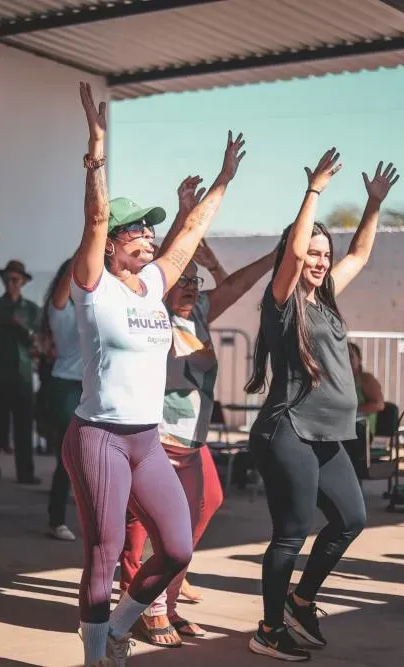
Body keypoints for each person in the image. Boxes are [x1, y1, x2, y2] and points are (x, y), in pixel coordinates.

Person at [65, 81, 244, 667]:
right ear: (112, 242)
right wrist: (97, 149)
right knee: (105, 548)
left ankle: (117, 627)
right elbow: (94, 214)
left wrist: (223, 180)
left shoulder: (156, 285)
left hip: (145, 439)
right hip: (98, 437)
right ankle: (96, 655)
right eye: (137, 229)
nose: (149, 235)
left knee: (178, 547)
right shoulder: (93, 286)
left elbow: (189, 234)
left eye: (149, 229)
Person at [245, 150, 398, 661]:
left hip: (329, 435)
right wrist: (314, 192)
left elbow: (358, 254)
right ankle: (268, 630)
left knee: (351, 519)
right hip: (288, 430)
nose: (319, 260)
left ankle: (301, 600)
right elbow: (293, 254)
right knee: (290, 535)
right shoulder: (282, 299)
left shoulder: (327, 296)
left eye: (323, 254)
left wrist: (373, 205)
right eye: (311, 252)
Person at [120, 188, 277, 646]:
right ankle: (148, 608)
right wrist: (186, 215)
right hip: (158, 437)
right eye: (181, 279)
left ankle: (162, 595)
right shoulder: (151, 315)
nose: (191, 286)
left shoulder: (201, 313)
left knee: (202, 506)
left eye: (196, 280)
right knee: (151, 530)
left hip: (193, 439)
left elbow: (238, 284)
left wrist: (275, 253)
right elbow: (166, 256)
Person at [0, 259, 41, 484]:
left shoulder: (32, 310)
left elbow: (39, 342)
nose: (11, 283)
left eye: (16, 280)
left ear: (23, 282)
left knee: (24, 429)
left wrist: (22, 328)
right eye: (8, 279)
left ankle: (26, 473)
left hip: (23, 377)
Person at [36, 257, 82, 541]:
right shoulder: (61, 309)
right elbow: (63, 289)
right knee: (68, 458)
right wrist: (85, 248)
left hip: (91, 388)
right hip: (65, 388)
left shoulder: (95, 307)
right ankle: (57, 519)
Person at [348, 342, 385, 440]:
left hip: (361, 431)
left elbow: (379, 404)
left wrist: (348, 411)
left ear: (359, 359)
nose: (346, 360)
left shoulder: (365, 379)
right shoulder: (333, 380)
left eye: (350, 356)